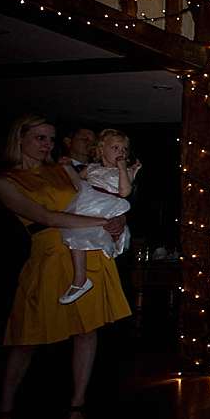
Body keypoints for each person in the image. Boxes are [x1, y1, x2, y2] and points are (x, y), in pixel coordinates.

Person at [0, 115, 131, 419]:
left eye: (51, 139)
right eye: (40, 138)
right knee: (27, 336)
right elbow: (46, 217)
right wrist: (102, 223)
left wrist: (116, 220)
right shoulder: (5, 181)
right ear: (20, 138)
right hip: (49, 256)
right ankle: (5, 409)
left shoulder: (63, 171)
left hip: (88, 252)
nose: (47, 145)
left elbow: (98, 199)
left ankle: (76, 405)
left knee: (87, 331)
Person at [59, 130, 141, 304]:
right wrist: (67, 168)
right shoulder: (92, 168)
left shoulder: (125, 171)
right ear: (101, 150)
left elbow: (125, 191)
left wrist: (122, 170)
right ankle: (80, 279)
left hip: (106, 208)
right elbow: (77, 184)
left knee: (79, 237)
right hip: (89, 205)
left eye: (124, 149)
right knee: (75, 237)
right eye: (115, 148)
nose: (121, 152)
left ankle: (81, 280)